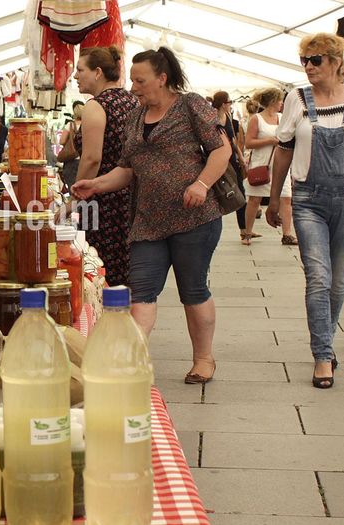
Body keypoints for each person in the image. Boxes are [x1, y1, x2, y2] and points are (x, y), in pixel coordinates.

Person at [72, 48, 231, 385]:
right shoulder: (135, 117)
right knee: (140, 290)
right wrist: (95, 185)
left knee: (193, 288)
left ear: (162, 78)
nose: (133, 87)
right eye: (132, 79)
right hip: (147, 220)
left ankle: (204, 359)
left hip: (194, 218)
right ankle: (132, 361)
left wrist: (202, 184)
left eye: (140, 80)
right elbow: (127, 169)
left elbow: (222, 150)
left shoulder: (191, 106)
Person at [268, 33, 344, 388]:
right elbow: (284, 149)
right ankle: (322, 356)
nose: (308, 67)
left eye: (315, 60)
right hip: (308, 200)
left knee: (337, 282)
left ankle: (327, 344)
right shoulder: (297, 98)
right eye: (304, 60)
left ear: (336, 62)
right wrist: (275, 197)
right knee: (318, 277)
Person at [72, 46, 139, 287]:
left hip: (101, 199)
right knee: (127, 270)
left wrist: (76, 197)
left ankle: (105, 319)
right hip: (131, 196)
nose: (75, 75)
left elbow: (92, 159)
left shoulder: (96, 105)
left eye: (80, 70)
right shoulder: (132, 101)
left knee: (99, 269)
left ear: (98, 72)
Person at [243, 88, 297, 245]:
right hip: (262, 164)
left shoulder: (282, 118)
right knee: (254, 199)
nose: (282, 103)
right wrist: (270, 141)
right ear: (273, 101)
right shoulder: (256, 119)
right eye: (280, 100)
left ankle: (287, 234)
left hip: (281, 165)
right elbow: (248, 142)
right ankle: (247, 232)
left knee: (286, 198)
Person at [211, 91, 247, 240]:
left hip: (232, 159)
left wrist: (240, 157)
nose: (231, 104)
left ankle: (244, 230)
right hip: (217, 159)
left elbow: (233, 140)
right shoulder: (212, 117)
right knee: (218, 192)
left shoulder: (229, 117)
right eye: (229, 101)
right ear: (222, 103)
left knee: (241, 192)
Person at [57, 101, 84, 192]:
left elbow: (62, 141)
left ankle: (74, 205)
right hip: (85, 161)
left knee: (73, 188)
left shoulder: (70, 125)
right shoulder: (88, 124)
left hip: (71, 160)